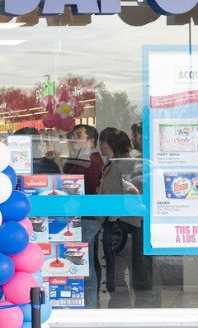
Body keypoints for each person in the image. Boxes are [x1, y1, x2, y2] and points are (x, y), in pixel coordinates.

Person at [98, 128, 153, 307]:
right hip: (129, 222)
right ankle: (136, 305)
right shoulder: (129, 163)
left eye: (102, 143)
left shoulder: (118, 165)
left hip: (120, 224)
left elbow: (113, 196)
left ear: (106, 144)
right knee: (132, 268)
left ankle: (121, 307)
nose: (100, 147)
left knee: (118, 269)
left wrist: (111, 218)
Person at [64, 124, 104, 309]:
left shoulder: (90, 161)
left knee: (83, 266)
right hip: (78, 217)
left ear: (91, 141)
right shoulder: (79, 159)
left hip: (86, 218)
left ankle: (89, 307)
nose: (74, 138)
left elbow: (84, 189)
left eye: (79, 135)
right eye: (73, 134)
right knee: (84, 263)